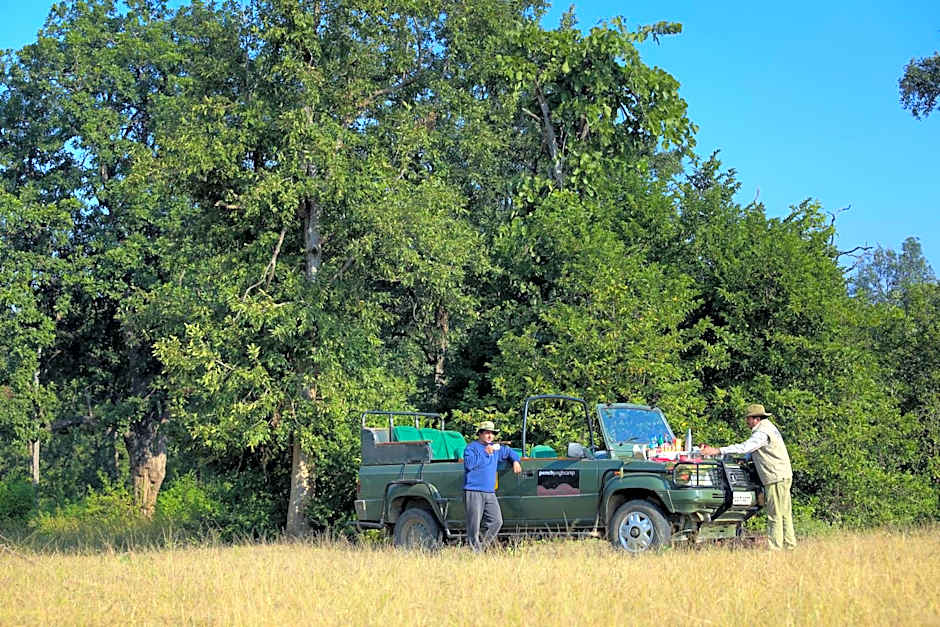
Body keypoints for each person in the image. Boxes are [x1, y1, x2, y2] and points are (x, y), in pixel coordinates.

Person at [700, 403, 796, 550]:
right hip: (783, 475)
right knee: (784, 513)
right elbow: (754, 451)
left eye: (748, 419)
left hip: (774, 476)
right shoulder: (769, 428)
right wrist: (745, 458)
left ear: (756, 419)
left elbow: (746, 447)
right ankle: (789, 545)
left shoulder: (762, 432)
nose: (746, 422)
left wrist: (717, 451)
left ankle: (775, 548)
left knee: (774, 514)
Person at [463, 420, 522, 551]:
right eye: (487, 433)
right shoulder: (471, 447)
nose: (490, 436)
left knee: (497, 521)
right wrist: (485, 452)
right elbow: (469, 465)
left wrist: (515, 461)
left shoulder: (496, 448)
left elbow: (508, 451)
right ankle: (475, 553)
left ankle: (481, 549)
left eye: (492, 433)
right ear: (480, 434)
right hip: (473, 490)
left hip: (489, 492)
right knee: (474, 525)